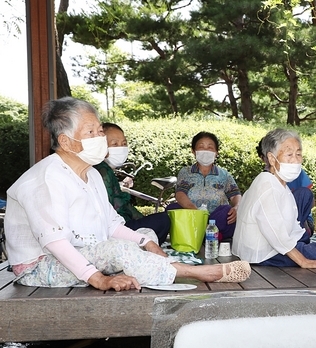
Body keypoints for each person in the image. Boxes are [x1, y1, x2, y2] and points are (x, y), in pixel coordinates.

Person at [5, 97, 251, 291]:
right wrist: (99, 279)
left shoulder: (90, 174)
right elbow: (55, 243)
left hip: (84, 252)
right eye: (91, 133)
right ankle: (194, 272)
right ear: (67, 142)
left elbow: (112, 225)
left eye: (100, 131)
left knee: (144, 233)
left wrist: (147, 243)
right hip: (41, 266)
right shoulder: (47, 177)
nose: (100, 138)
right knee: (118, 250)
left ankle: (154, 264)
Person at [233, 129, 316, 269]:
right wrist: (304, 261)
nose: (295, 160)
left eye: (298, 154)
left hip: (274, 248)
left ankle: (306, 246)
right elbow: (276, 235)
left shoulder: (277, 182)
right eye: (289, 154)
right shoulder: (267, 186)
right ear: (271, 158)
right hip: (265, 254)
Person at [93, 122, 171, 245]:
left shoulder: (106, 169)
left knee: (158, 220)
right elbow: (116, 209)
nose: (121, 147)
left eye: (124, 143)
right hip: (115, 231)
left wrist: (144, 220)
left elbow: (126, 207)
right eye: (114, 144)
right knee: (163, 220)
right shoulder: (102, 171)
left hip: (120, 226)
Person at [168, 132, 241, 240]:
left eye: (210, 147)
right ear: (193, 151)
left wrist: (236, 208)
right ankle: (210, 236)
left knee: (226, 211)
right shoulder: (186, 172)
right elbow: (180, 194)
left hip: (216, 222)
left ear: (216, 152)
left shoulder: (224, 174)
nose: (206, 151)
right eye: (201, 147)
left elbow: (235, 195)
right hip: (192, 218)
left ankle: (202, 234)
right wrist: (197, 215)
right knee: (171, 209)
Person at [256, 140, 315, 234]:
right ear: (262, 158)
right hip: (277, 224)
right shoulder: (262, 180)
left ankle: (298, 234)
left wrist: (292, 203)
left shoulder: (295, 172)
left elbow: (311, 202)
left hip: (302, 221)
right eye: (267, 156)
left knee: (303, 193)